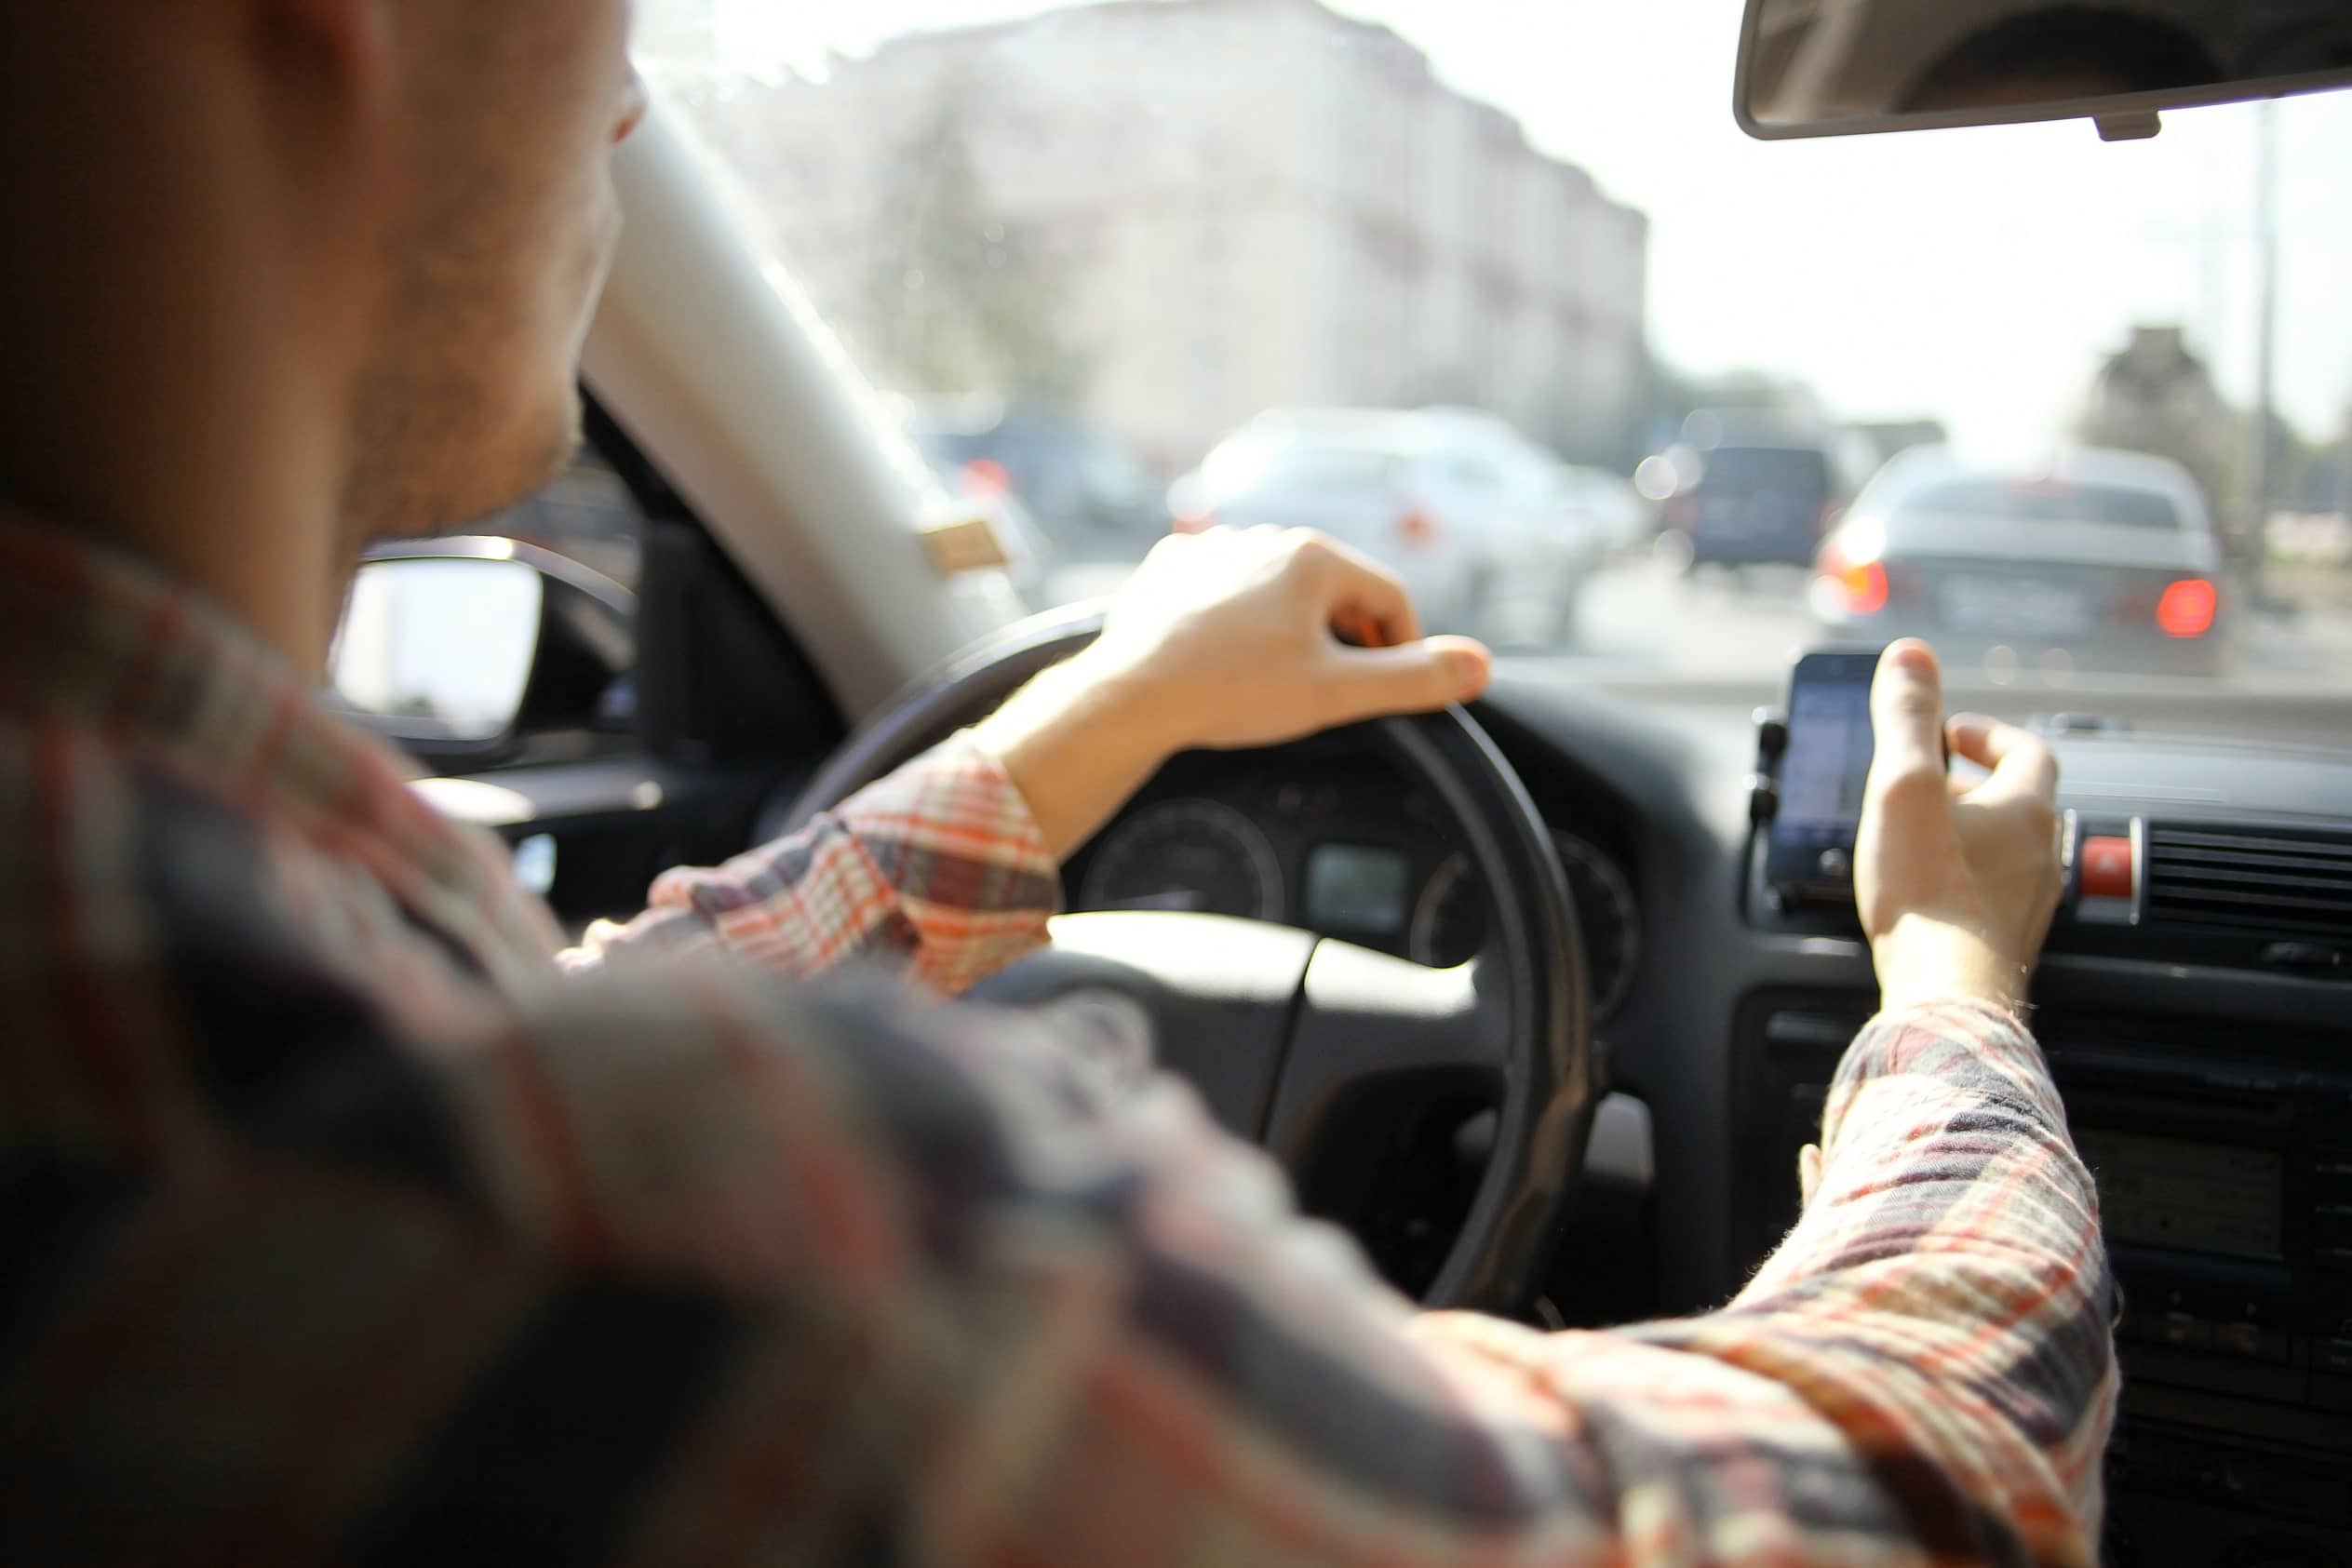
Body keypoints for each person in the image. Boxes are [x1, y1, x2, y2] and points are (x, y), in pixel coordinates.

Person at [0, 4, 2114, 1564]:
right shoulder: (763, 1260)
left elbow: (561, 1024)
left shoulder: (205, 1059)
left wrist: (1103, 708)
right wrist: (1945, 986)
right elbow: (1916, 1489)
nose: (630, 92)